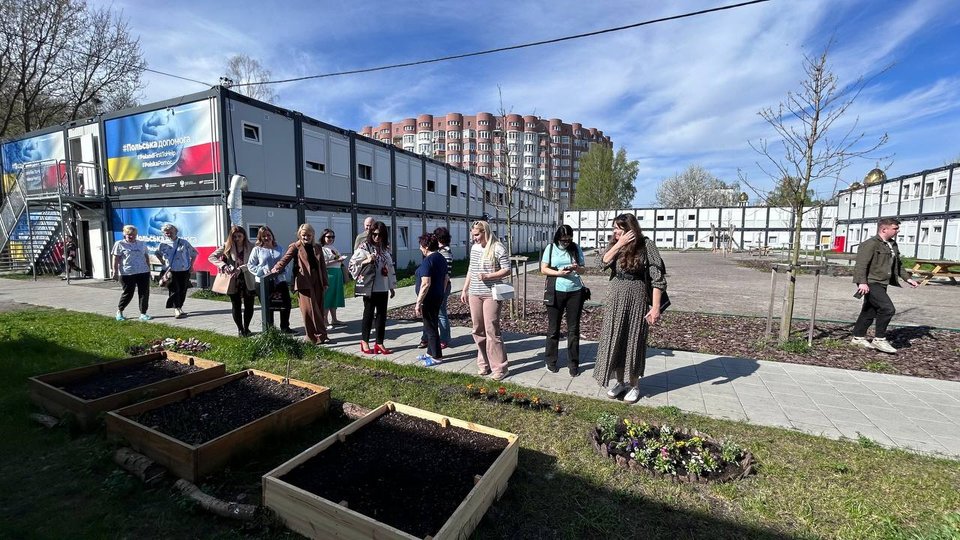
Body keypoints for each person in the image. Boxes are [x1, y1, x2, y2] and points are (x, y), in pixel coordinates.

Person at [593, 213, 666, 403]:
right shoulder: (615, 245)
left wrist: (656, 307)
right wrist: (618, 244)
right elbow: (601, 263)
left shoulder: (646, 245)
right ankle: (620, 382)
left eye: (619, 228)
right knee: (615, 338)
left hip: (636, 299)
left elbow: (657, 278)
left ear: (631, 229)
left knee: (633, 340)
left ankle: (634, 384)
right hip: (615, 299)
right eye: (614, 228)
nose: (615, 231)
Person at [851, 217, 918, 354]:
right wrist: (862, 282)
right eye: (895, 228)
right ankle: (879, 339)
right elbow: (861, 265)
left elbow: (897, 265)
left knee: (870, 310)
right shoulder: (870, 244)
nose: (897, 231)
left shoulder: (892, 244)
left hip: (882, 282)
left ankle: (858, 338)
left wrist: (907, 279)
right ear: (884, 229)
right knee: (887, 309)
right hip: (871, 282)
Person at [459, 220, 511, 380]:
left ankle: (500, 368)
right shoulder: (475, 248)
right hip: (475, 293)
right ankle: (484, 363)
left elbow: (507, 269)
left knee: (491, 330)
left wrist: (488, 276)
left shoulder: (498, 247)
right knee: (477, 329)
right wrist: (465, 288)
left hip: (492, 294)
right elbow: (471, 269)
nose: (474, 238)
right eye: (473, 235)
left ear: (485, 232)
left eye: (477, 235)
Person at [272, 224, 331, 344]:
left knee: (318, 308)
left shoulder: (317, 247)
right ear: (299, 235)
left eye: (309, 235)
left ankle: (322, 336)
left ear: (313, 235)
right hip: (304, 281)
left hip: (317, 281)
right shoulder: (295, 247)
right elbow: (285, 259)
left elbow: (323, 266)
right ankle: (311, 337)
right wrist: (276, 268)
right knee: (308, 310)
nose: (306, 237)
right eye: (304, 235)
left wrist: (325, 281)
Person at [540, 224, 586, 376]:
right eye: (563, 240)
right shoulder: (551, 248)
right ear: (558, 238)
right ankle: (550, 361)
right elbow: (543, 269)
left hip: (575, 291)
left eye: (568, 240)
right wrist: (558, 273)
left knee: (573, 329)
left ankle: (573, 363)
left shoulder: (575, 248)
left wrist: (575, 268)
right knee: (554, 329)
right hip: (556, 290)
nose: (566, 243)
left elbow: (583, 269)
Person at [349, 220, 396, 354]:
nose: (377, 237)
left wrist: (391, 286)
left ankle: (379, 342)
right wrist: (367, 260)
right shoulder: (364, 247)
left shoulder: (385, 248)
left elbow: (389, 268)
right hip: (370, 287)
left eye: (380, 235)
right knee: (368, 315)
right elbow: (352, 265)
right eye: (374, 234)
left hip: (383, 287)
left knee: (382, 316)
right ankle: (364, 341)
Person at [209, 225, 256, 336]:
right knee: (236, 304)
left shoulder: (252, 246)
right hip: (233, 279)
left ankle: (247, 328)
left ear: (244, 235)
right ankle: (240, 329)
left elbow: (254, 262)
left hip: (247, 277)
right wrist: (223, 265)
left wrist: (242, 268)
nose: (237, 239)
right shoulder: (227, 246)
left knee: (249, 304)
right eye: (234, 237)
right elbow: (212, 257)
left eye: (239, 236)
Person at [248, 226, 294, 334]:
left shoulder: (279, 248)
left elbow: (286, 263)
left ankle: (285, 327)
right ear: (260, 238)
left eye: (268, 235)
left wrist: (281, 270)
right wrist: (262, 270)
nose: (266, 237)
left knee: (286, 304)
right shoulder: (257, 249)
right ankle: (270, 329)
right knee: (268, 306)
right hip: (263, 282)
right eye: (263, 236)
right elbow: (250, 265)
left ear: (272, 235)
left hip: (279, 280)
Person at [413, 233, 449, 365]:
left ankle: (437, 356)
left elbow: (426, 283)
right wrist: (442, 292)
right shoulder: (441, 257)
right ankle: (430, 352)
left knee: (431, 327)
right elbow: (446, 278)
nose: (420, 248)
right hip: (438, 296)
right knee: (432, 324)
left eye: (421, 245)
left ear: (426, 246)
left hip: (429, 299)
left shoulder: (428, 261)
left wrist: (418, 302)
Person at [418, 226, 453, 349]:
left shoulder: (444, 254)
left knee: (440, 313)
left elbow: (445, 276)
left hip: (440, 287)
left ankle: (444, 339)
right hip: (437, 287)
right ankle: (426, 337)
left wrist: (441, 292)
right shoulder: (438, 253)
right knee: (429, 315)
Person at [154, 223, 198, 319]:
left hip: (184, 270)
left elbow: (194, 254)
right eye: (167, 233)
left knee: (182, 290)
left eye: (171, 232)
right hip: (170, 271)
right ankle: (176, 308)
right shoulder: (163, 244)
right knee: (175, 290)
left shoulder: (184, 243)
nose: (169, 234)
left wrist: (191, 265)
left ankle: (179, 307)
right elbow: (157, 253)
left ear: (176, 232)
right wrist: (162, 261)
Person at [111, 225, 152, 321]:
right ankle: (120, 311)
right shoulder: (119, 244)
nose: (131, 236)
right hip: (127, 272)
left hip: (143, 271)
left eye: (133, 234)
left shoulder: (142, 244)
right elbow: (115, 258)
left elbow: (146, 257)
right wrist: (115, 271)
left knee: (144, 293)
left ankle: (143, 313)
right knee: (128, 293)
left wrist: (149, 269)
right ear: (124, 234)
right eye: (128, 234)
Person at [320, 228, 347, 327]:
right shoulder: (322, 249)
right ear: (323, 237)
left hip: (337, 273)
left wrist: (340, 260)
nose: (331, 238)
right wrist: (337, 260)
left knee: (335, 297)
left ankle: (334, 319)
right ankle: (325, 320)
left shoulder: (333, 247)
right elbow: (323, 264)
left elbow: (336, 260)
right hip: (329, 274)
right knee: (328, 297)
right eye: (328, 237)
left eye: (332, 237)